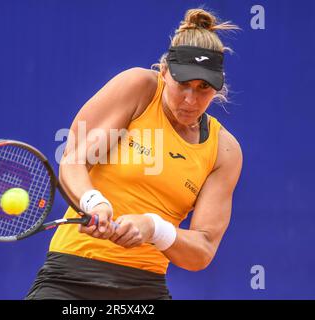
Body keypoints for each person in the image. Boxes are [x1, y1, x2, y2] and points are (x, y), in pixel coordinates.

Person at [26, 8, 243, 300]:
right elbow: (74, 161)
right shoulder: (139, 88)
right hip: (68, 279)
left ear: (218, 88)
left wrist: (154, 229)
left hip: (144, 291)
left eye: (203, 88)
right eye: (183, 84)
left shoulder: (224, 151)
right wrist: (95, 202)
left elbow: (202, 251)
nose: (191, 100)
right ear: (165, 72)